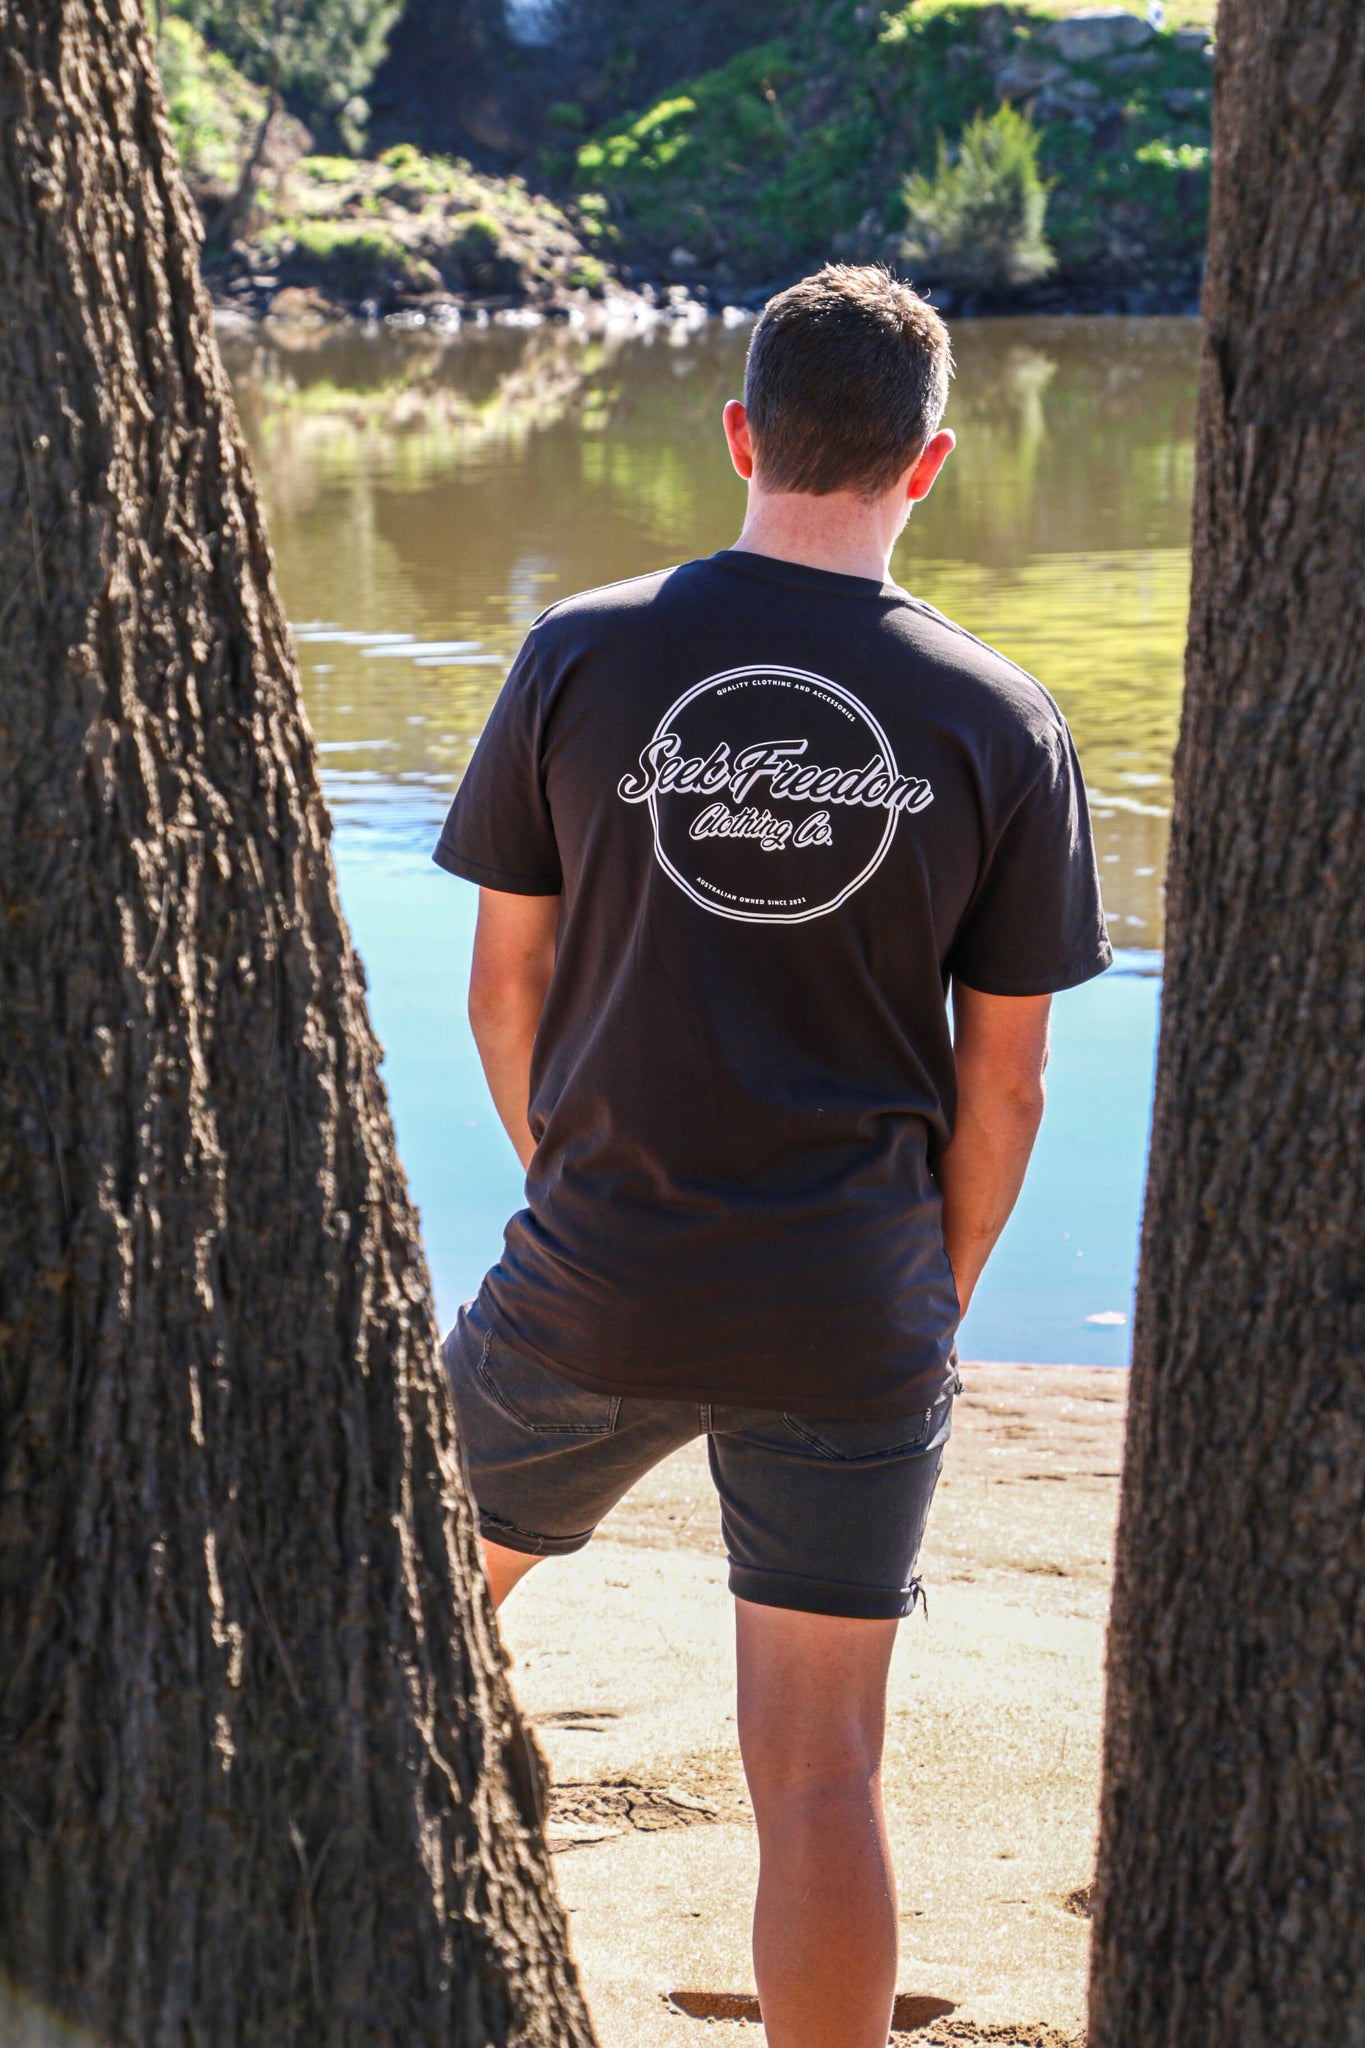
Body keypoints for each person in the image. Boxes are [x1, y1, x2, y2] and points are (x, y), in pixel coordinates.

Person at [433, 264, 1111, 2048]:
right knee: (819, 1775)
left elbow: (501, 990)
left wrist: (575, 1181)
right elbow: (1008, 1088)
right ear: (931, 463)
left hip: (592, 1275)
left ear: (739, 433)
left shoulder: (580, 653)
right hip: (848, 1308)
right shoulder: (999, 717)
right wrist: (927, 1292)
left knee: (391, 1609)